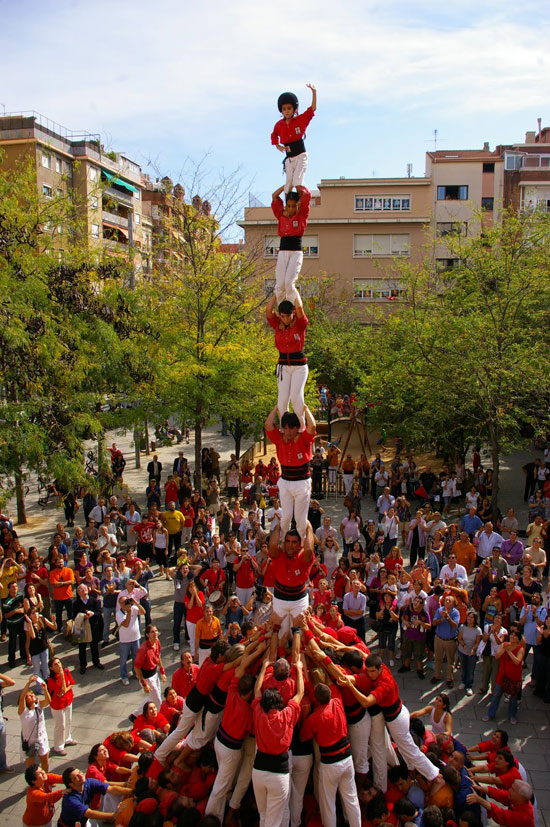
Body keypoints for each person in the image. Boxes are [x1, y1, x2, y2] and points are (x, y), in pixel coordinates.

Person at [336, 653, 440, 784]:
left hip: (396, 720)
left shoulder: (385, 684)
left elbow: (367, 702)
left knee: (410, 749)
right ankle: (413, 770)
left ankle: (434, 775)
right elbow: (361, 653)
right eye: (368, 671)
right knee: (406, 750)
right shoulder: (381, 667)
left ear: (380, 668)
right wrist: (341, 648)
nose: (370, 674)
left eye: (373, 671)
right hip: (397, 714)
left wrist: (350, 687)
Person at [251, 656, 304, 827]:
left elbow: (256, 691)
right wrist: (301, 669)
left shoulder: (258, 713)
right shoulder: (287, 715)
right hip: (279, 772)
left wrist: (264, 667)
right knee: (278, 815)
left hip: (258, 770)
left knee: (265, 816)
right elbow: (300, 694)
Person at [300, 682, 361, 827]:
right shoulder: (338, 702)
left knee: (328, 803)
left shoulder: (315, 718)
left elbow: (303, 736)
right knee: (351, 800)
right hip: (346, 759)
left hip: (330, 764)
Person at [265, 405, 317, 541]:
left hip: (301, 482)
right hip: (285, 482)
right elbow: (268, 424)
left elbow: (312, 427)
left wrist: (305, 409)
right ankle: (284, 542)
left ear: (297, 428)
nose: (288, 431)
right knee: (286, 517)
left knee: (300, 519)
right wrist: (277, 407)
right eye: (285, 428)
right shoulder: (279, 439)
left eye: (291, 428)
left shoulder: (304, 439)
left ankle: (301, 544)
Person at [266, 290, 309, 428]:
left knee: (296, 397)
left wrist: (293, 290)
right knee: (282, 400)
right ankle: (284, 428)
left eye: (288, 316)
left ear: (292, 314)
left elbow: (300, 308)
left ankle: (301, 427)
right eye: (282, 316)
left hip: (299, 366)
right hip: (283, 366)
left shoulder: (299, 324)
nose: (285, 319)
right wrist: (277, 294)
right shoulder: (277, 325)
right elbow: (268, 310)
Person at [268, 519, 315, 640]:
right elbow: (272, 544)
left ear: (300, 544)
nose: (290, 545)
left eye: (294, 542)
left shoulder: (303, 558)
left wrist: (309, 528)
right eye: (287, 541)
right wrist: (280, 525)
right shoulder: (278, 555)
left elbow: (309, 550)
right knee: (280, 635)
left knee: (300, 635)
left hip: (299, 600)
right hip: (280, 599)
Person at [271, 84, 316, 194]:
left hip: (300, 155)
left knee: (297, 182)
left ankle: (304, 199)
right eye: (284, 109)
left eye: (289, 108)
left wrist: (314, 92)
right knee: (288, 185)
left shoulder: (300, 121)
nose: (286, 111)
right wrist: (278, 146)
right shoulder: (279, 125)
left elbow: (312, 110)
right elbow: (274, 135)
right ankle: (288, 209)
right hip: (289, 157)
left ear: (294, 108)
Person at [59, 765, 130, 826]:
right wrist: (114, 815)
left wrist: (132, 791)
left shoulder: (89, 783)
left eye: (80, 772)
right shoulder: (70, 800)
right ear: (71, 784)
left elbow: (110, 789)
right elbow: (90, 814)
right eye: (76, 777)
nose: (81, 775)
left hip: (84, 821)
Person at [483, 628, 525, 724]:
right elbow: (497, 656)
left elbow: (517, 662)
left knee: (513, 698)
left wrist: (509, 652)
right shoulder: (505, 645)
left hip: (514, 677)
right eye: (511, 635)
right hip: (502, 675)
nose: (511, 637)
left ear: (518, 639)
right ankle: (491, 714)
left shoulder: (520, 649)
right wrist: (504, 649)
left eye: (514, 636)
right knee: (496, 695)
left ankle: (512, 715)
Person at [131, 624, 166, 718]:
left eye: (156, 631)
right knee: (158, 700)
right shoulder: (143, 649)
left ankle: (135, 714)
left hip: (154, 673)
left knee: (153, 696)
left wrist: (162, 671)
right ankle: (159, 717)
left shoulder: (157, 642)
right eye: (152, 632)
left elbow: (158, 656)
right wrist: (144, 684)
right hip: (147, 677)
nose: (155, 633)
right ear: (147, 635)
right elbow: (137, 667)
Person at [466, 779, 534, 827]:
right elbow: (501, 794)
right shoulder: (519, 800)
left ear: (521, 797)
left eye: (513, 789)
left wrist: (478, 799)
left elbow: (499, 814)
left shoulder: (523, 816)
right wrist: (479, 788)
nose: (509, 790)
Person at [18, 675, 51, 771]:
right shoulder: (23, 711)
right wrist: (28, 683)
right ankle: (32, 783)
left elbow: (48, 701)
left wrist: (45, 690)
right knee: (30, 764)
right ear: (25, 700)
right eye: (29, 696)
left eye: (32, 694)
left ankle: (45, 780)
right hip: (29, 740)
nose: (32, 696)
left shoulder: (38, 705)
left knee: (45, 761)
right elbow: (21, 698)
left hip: (41, 737)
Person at [47, 656, 76, 756]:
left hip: (68, 700)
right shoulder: (51, 680)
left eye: (59, 663)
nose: (59, 665)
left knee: (69, 720)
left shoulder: (67, 671)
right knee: (60, 725)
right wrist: (62, 676)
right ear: (51, 668)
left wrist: (66, 691)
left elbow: (72, 683)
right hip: (57, 705)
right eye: (55, 664)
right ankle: (58, 746)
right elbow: (62, 689)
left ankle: (67, 738)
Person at [73, 583, 105, 675]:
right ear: (79, 593)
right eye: (82, 590)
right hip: (81, 628)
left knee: (94, 645)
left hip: (93, 626)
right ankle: (83, 665)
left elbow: (99, 612)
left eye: (85, 588)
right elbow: (74, 616)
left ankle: (96, 662)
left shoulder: (94, 601)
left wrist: (93, 614)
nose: (84, 590)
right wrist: (83, 616)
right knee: (82, 647)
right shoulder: (76, 603)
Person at [431, 595, 460, 688]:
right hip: (439, 638)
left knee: (450, 660)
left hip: (450, 640)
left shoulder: (456, 613)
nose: (447, 602)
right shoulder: (440, 610)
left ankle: (449, 678)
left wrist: (447, 617)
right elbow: (434, 622)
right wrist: (442, 619)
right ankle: (437, 675)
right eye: (446, 600)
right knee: (438, 658)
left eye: (450, 601)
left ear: (453, 603)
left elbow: (455, 625)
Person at [458, 610, 482, 695]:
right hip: (462, 651)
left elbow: (477, 642)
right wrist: (463, 645)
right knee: (463, 668)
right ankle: (463, 682)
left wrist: (473, 649)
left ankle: (469, 685)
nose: (470, 619)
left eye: (472, 617)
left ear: (475, 619)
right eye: (468, 617)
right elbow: (459, 638)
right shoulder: (462, 627)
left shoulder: (478, 630)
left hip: (472, 653)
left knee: (470, 669)